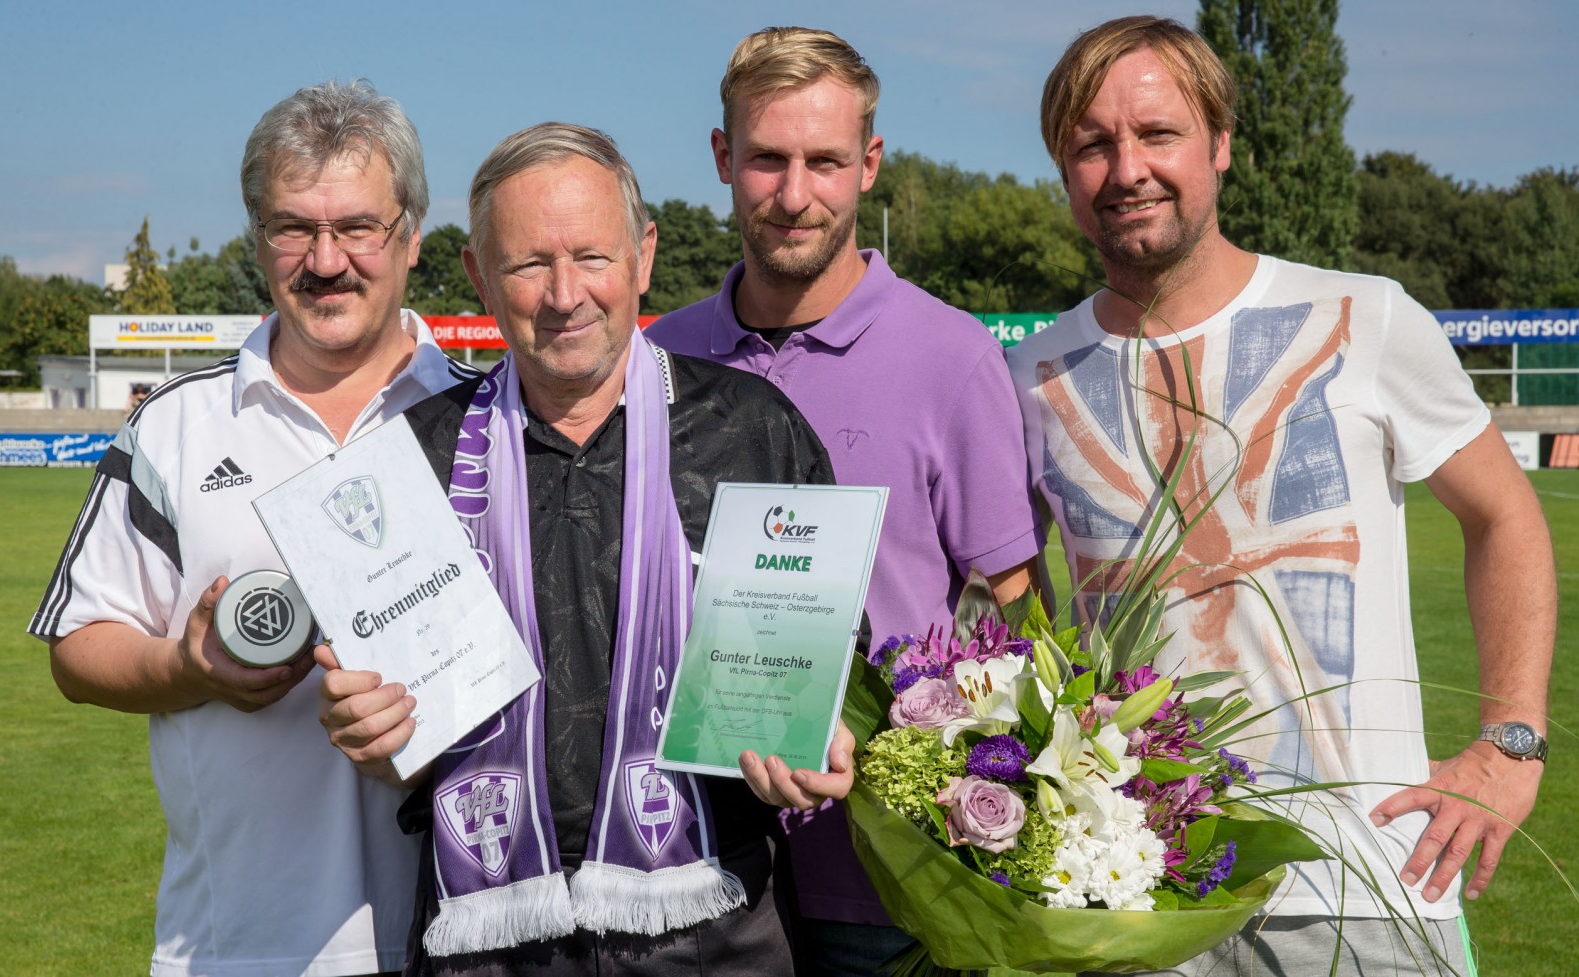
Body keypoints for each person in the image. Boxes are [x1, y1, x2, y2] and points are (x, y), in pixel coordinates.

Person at [1008, 16, 1556, 975]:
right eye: (1093, 144)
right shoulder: (1030, 376)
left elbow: (1504, 514)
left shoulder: (1364, 315)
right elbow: (1019, 609)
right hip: (1143, 898)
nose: (1127, 167)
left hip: (1367, 884)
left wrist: (1510, 744)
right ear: (1064, 172)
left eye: (1158, 134)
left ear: (1220, 144)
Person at [317, 122, 857, 977]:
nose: (565, 293)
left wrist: (826, 729)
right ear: (478, 274)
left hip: (716, 927)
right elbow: (392, 728)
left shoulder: (751, 431)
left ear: (643, 255)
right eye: (530, 262)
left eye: (593, 257)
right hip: (489, 936)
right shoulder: (407, 465)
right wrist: (372, 728)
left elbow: (835, 665)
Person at [29, 80, 480, 977]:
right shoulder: (176, 422)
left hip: (465, 937)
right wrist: (187, 667)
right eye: (291, 227)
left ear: (413, 234)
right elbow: (76, 649)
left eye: (358, 226)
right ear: (256, 236)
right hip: (236, 943)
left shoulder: (487, 417)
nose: (326, 258)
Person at [645, 28, 1044, 974]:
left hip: (884, 886)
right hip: (686, 873)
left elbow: (1018, 619)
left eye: (824, 161)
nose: (794, 194)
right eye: (767, 159)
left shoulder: (952, 357)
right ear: (721, 158)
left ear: (868, 165)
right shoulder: (658, 360)